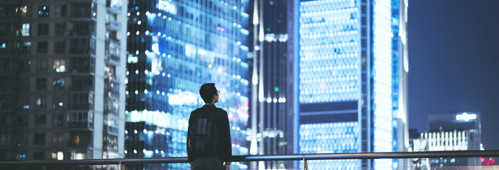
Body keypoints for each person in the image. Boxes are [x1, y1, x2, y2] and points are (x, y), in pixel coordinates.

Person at [187, 83, 231, 170]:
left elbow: (189, 139)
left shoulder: (194, 114)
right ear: (214, 96)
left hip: (198, 161)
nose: (218, 94)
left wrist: (191, 160)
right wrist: (227, 161)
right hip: (216, 161)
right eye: (217, 92)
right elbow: (226, 139)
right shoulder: (221, 114)